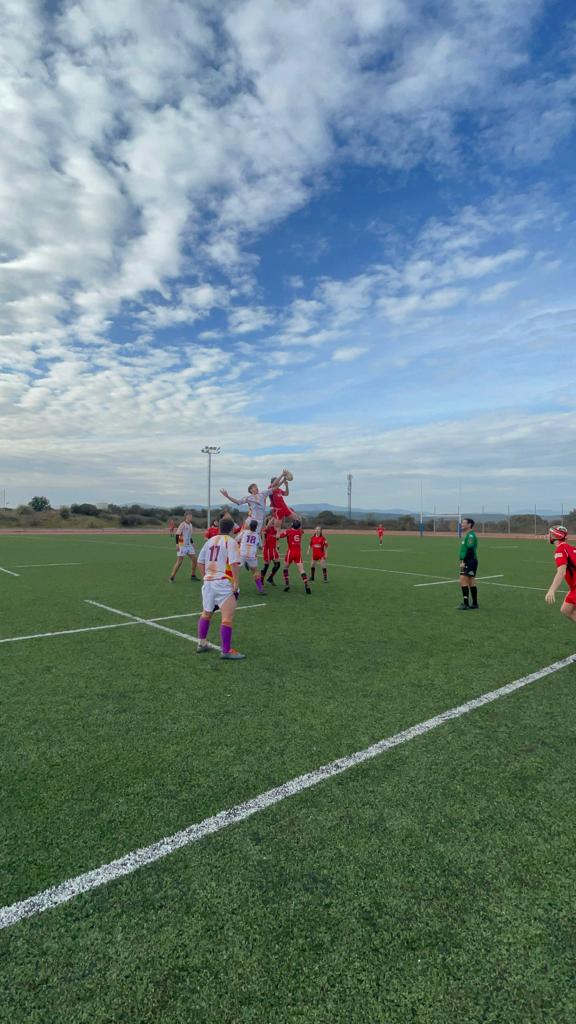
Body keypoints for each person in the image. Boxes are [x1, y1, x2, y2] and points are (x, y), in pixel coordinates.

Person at [196, 517, 245, 659]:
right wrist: (236, 583)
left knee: (206, 612)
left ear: (219, 528)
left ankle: (202, 643)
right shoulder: (231, 541)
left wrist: (206, 576)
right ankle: (226, 651)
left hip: (208, 583)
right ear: (231, 529)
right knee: (227, 617)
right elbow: (234, 564)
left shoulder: (210, 541)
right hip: (222, 583)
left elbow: (200, 562)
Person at [220, 471, 288, 533]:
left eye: (256, 486)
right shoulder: (248, 498)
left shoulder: (263, 494)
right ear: (251, 490)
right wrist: (227, 496)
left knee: (255, 536)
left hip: (260, 521)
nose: (257, 488)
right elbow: (237, 502)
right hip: (251, 519)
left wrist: (283, 479)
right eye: (255, 487)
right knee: (243, 534)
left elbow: (275, 487)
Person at [545, 525, 576, 624]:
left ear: (555, 536)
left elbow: (561, 572)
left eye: (550, 534)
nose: (547, 536)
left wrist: (551, 590)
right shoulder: (571, 548)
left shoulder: (560, 550)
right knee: (566, 610)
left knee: (566, 610)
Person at [280, 519, 311, 594]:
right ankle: (306, 584)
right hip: (298, 553)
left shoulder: (288, 531)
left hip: (290, 552)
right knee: (302, 570)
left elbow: (280, 536)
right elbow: (301, 530)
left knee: (285, 568)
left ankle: (287, 584)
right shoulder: (300, 531)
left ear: (292, 525)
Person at [169, 511, 198, 582]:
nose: (191, 517)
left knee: (195, 560)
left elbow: (189, 536)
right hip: (182, 545)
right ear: (186, 516)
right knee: (179, 562)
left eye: (191, 516)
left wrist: (192, 542)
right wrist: (177, 545)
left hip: (189, 546)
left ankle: (193, 575)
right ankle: (172, 577)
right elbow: (177, 534)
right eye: (189, 515)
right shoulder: (183, 524)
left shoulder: (191, 525)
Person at [458, 517, 479, 609]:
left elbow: (470, 550)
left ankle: (466, 604)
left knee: (463, 580)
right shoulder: (468, 535)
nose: (462, 524)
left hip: (469, 561)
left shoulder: (470, 536)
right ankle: (474, 604)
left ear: (469, 525)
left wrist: (464, 562)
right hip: (471, 560)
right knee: (471, 581)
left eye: (463, 523)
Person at [240, 519, 265, 593]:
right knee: (255, 571)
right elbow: (261, 547)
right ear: (256, 527)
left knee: (236, 571)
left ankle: (230, 587)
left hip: (242, 554)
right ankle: (260, 589)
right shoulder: (257, 535)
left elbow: (236, 539)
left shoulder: (244, 532)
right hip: (251, 556)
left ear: (249, 526)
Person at [261, 515, 281, 586]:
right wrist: (273, 517)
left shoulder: (274, 529)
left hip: (274, 549)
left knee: (278, 564)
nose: (273, 522)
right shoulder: (266, 529)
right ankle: (261, 579)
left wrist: (279, 517)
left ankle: (270, 577)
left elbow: (277, 536)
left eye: (273, 521)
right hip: (268, 549)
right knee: (266, 565)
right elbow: (266, 528)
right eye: (271, 521)